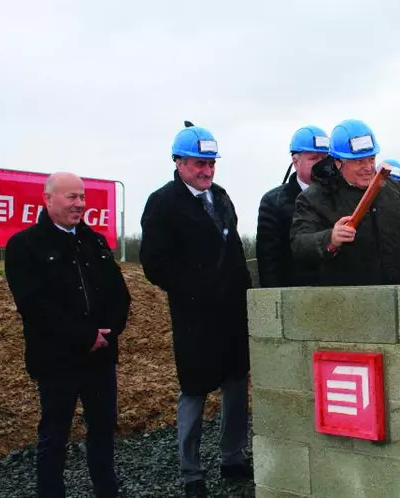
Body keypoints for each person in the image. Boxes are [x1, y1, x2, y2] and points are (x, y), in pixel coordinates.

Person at [140, 122, 253, 498]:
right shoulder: (163, 202)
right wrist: (196, 288)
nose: (206, 171)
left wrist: (244, 292)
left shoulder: (220, 197)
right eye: (198, 164)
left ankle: (232, 455)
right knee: (194, 390)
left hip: (232, 314)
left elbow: (234, 251)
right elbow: (155, 263)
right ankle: (191, 471)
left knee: (236, 384)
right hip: (194, 316)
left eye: (210, 164)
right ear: (178, 162)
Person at [4, 172, 131, 498]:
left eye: (82, 197)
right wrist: (85, 336)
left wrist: (109, 333)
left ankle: (106, 490)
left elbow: (120, 294)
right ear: (48, 199)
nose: (80, 204)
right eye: (71, 197)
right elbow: (34, 306)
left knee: (103, 430)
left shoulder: (95, 241)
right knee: (55, 434)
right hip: (56, 360)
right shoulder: (24, 246)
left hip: (100, 357)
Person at [290, 119, 400, 286]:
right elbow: (298, 243)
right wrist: (330, 238)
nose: (368, 167)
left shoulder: (390, 189)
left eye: (371, 159)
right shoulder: (314, 198)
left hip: (397, 299)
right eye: (359, 161)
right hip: (347, 304)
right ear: (338, 162)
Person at [256, 125, 329, 287]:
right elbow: (269, 263)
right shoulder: (273, 202)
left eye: (325, 159)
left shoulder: (339, 196)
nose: (321, 164)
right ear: (296, 162)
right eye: (314, 158)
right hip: (296, 299)